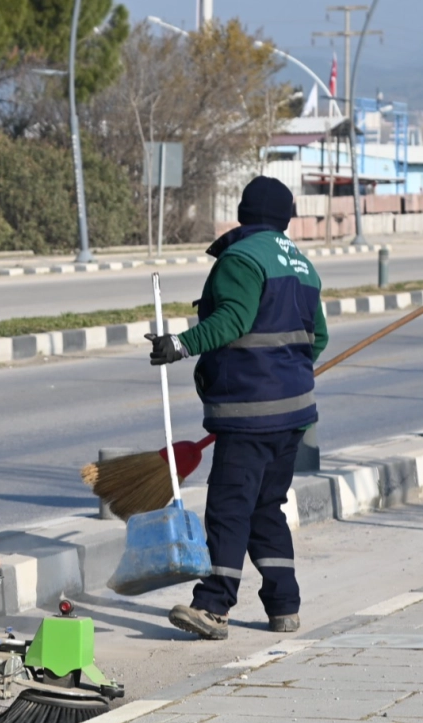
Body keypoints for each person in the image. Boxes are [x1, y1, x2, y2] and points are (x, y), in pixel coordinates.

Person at [147, 175, 326, 642]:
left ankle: (213, 607)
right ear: (285, 217)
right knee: (267, 507)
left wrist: (179, 344)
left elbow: (233, 320)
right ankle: (284, 606)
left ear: (244, 214)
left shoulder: (241, 258)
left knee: (229, 508)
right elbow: (318, 338)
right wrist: (288, 371)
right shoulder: (303, 265)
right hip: (293, 414)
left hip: (250, 411)